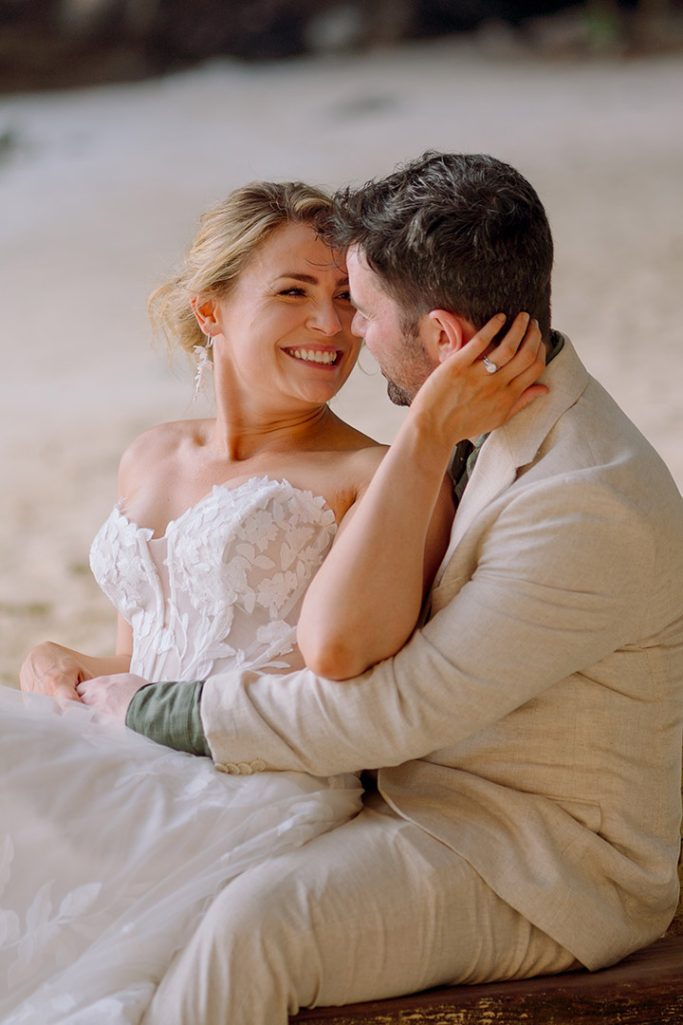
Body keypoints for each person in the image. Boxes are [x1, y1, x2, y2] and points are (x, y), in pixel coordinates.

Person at [80, 152, 683, 1025]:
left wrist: (148, 709)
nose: (345, 332)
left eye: (359, 308)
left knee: (258, 926)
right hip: (405, 796)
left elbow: (385, 710)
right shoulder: (500, 423)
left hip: (534, 860)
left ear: (440, 337)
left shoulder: (583, 501)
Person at [2, 177, 543, 1024]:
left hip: (246, 781)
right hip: (133, 739)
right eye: (293, 292)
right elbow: (142, 658)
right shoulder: (151, 454)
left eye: (342, 299)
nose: (330, 327)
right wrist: (60, 661)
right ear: (209, 311)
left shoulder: (378, 474)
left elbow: (352, 651)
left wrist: (424, 439)